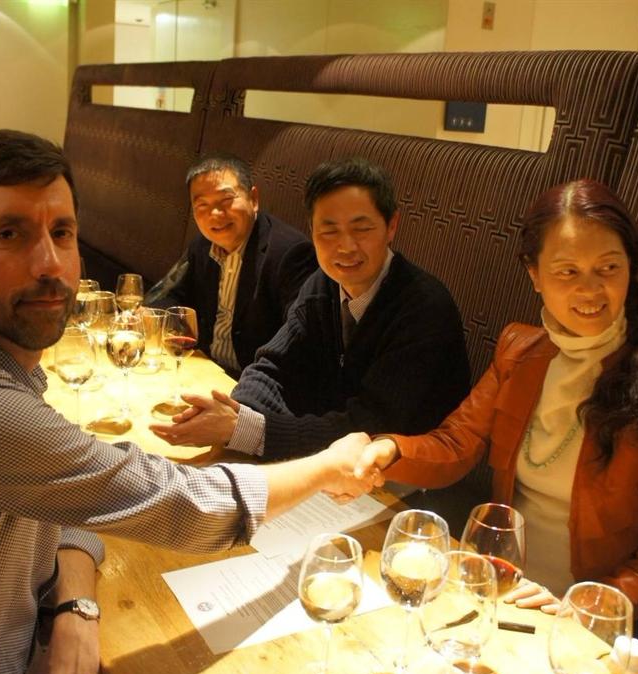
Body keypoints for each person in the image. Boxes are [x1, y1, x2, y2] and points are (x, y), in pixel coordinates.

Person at [0, 130, 377, 674]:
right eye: (9, 234)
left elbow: (66, 514)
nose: (49, 263)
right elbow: (185, 505)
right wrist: (329, 466)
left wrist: (75, 609)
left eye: (61, 232)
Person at [354, 178, 638, 622]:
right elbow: (457, 444)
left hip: (586, 616)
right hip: (500, 586)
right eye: (567, 271)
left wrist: (586, 605)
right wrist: (389, 449)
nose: (590, 290)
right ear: (535, 275)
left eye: (608, 268)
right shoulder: (519, 352)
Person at [152, 157, 471, 461]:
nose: (345, 246)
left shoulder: (423, 308)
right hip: (329, 455)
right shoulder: (323, 284)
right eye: (329, 230)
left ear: (391, 226)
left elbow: (373, 424)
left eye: (361, 229)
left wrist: (245, 429)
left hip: (405, 477)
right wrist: (234, 411)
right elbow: (273, 367)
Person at [146, 154, 316, 376]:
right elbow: (166, 294)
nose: (215, 214)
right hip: (204, 366)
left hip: (252, 380)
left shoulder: (290, 253)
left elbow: (297, 341)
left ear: (253, 199)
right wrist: (147, 316)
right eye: (202, 204)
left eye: (226, 200)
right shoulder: (202, 245)